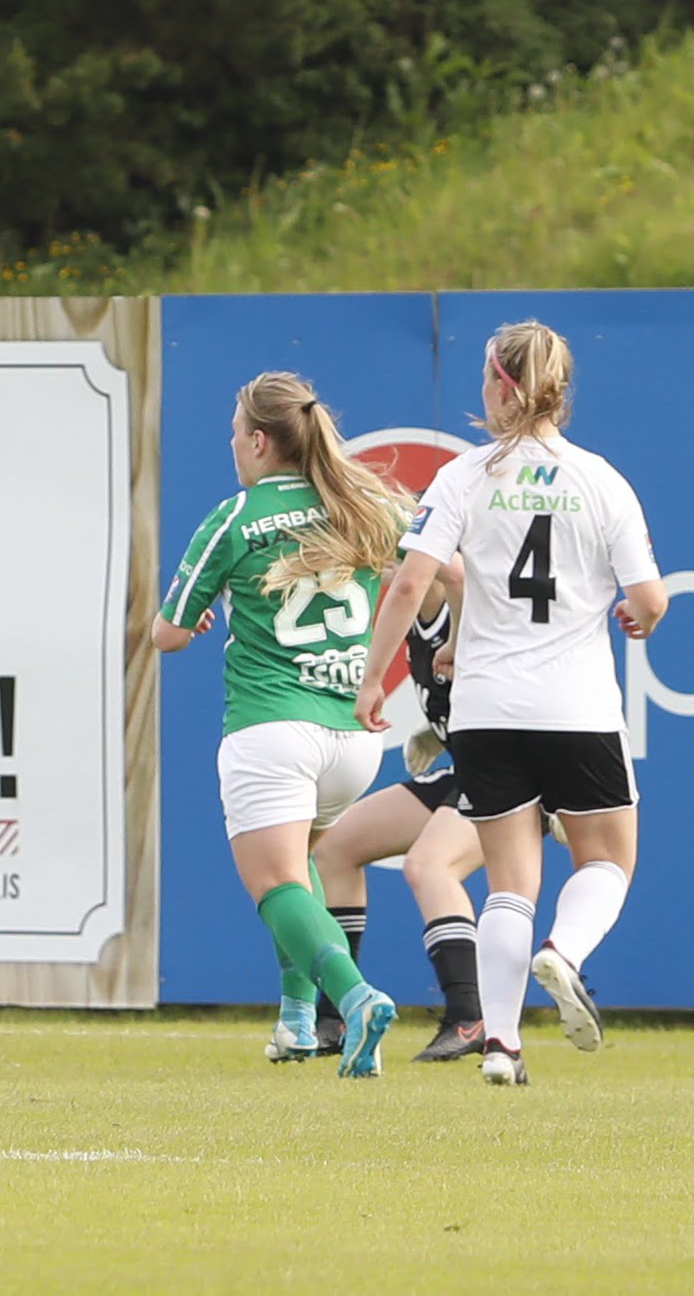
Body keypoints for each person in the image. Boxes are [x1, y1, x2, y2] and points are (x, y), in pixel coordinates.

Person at [356, 321, 668, 1088]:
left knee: (508, 881)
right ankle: (563, 951)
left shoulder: (463, 476)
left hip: (487, 709)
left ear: (501, 385)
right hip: (576, 705)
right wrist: (638, 618)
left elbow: (410, 581)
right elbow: (650, 598)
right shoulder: (600, 478)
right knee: (609, 859)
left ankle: (501, 1043)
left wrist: (371, 677)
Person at [155, 372, 410, 1078]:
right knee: (299, 869)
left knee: (276, 885)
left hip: (272, 728)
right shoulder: (363, 505)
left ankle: (354, 999)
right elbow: (441, 571)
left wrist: (191, 620)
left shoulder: (236, 517)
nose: (232, 444)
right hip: (354, 739)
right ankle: (296, 1020)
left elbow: (166, 635)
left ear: (261, 441)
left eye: (236, 432)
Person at [305, 567, 503, 1063]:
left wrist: (563, 790)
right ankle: (338, 1013)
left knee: (430, 866)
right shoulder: (413, 616)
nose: (387, 565)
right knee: (335, 846)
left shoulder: (472, 609)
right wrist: (438, 731)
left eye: (400, 552)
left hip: (512, 775)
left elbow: (538, 692)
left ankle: (469, 1015)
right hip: (467, 769)